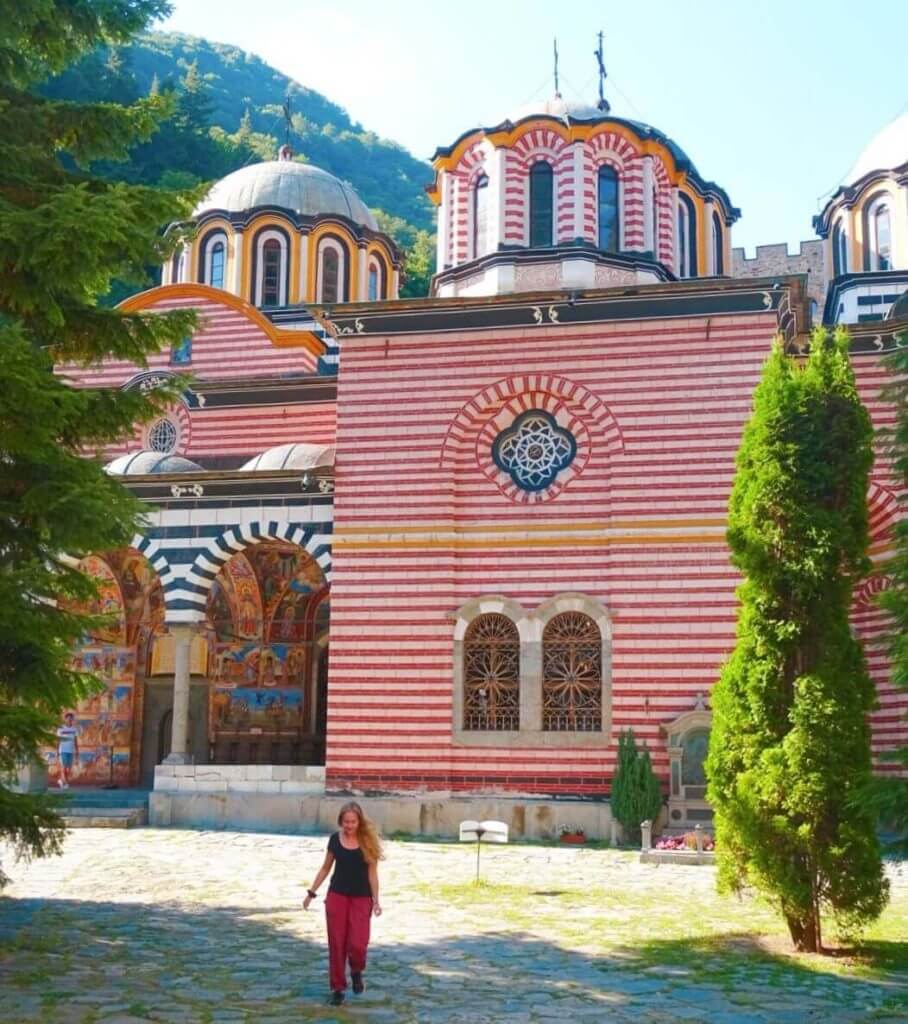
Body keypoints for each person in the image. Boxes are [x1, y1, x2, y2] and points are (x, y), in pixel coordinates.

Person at [303, 801, 383, 1006]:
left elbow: (373, 874)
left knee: (358, 944)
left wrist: (376, 900)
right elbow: (325, 868)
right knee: (337, 944)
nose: (349, 825)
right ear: (341, 821)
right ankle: (338, 988)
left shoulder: (367, 842)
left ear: (359, 822)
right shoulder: (334, 840)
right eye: (345, 821)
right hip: (337, 896)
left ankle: (356, 971)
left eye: (353, 822)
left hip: (361, 898)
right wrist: (311, 893)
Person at [56, 712, 79, 789]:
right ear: (65, 719)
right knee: (64, 768)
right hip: (63, 751)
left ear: (72, 720)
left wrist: (77, 752)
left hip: (71, 751)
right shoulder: (61, 729)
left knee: (68, 769)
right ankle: (66, 783)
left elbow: (75, 741)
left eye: (71, 719)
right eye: (68, 719)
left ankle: (61, 781)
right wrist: (57, 752)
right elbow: (58, 741)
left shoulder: (74, 729)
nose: (69, 720)